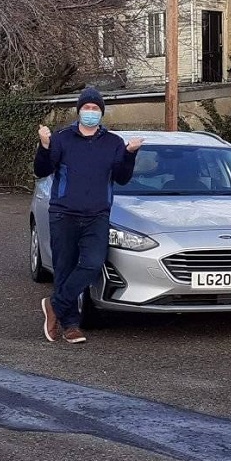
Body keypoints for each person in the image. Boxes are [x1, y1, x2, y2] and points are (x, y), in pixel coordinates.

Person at [34, 87, 142, 344]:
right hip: (64, 214)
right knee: (64, 268)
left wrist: (129, 155)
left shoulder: (113, 143)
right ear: (79, 110)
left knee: (93, 264)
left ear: (101, 113)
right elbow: (42, 169)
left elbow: (123, 178)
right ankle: (71, 325)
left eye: (95, 109)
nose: (90, 112)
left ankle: (54, 304)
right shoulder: (62, 138)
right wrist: (45, 146)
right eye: (86, 108)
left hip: (97, 215)